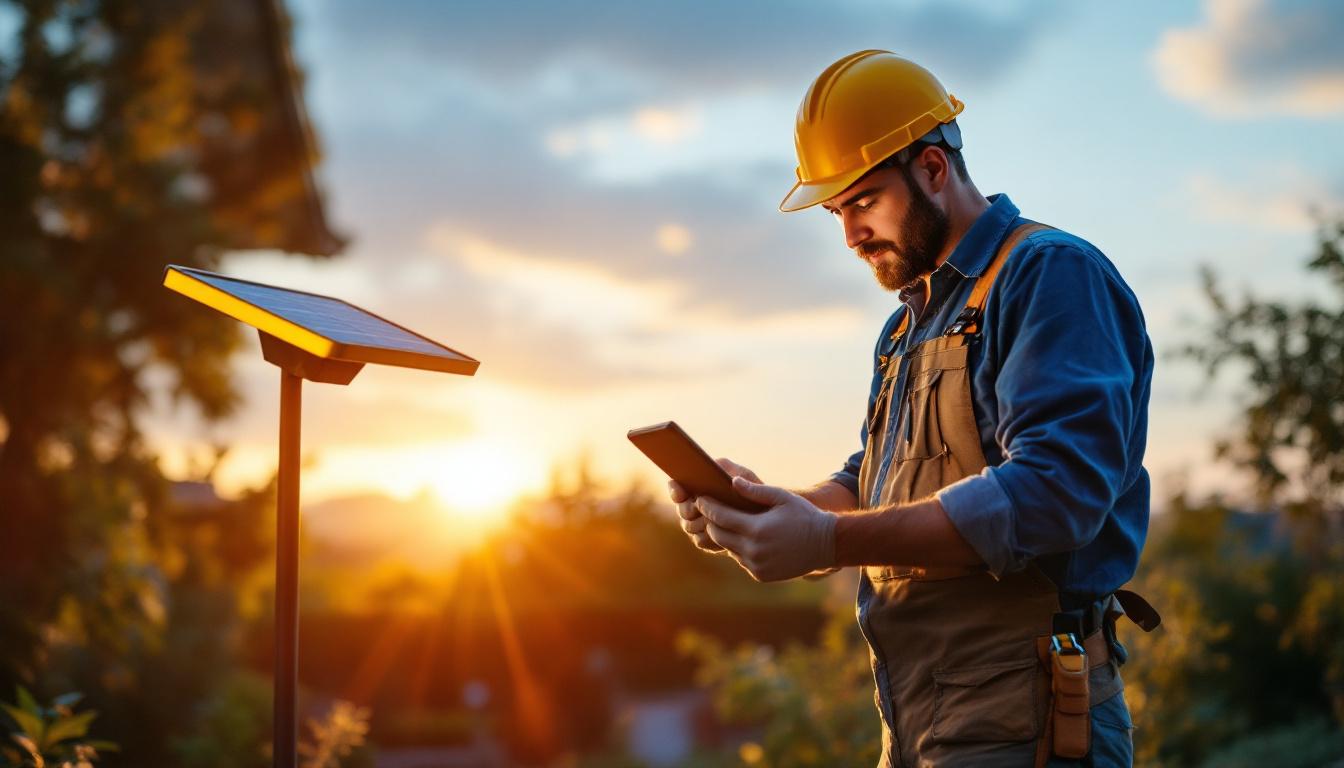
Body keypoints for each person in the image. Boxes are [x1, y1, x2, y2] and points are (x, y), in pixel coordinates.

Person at [667, 50, 1160, 767]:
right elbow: (872, 484)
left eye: (863, 202)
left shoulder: (1050, 275)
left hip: (1030, 719)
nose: (850, 236)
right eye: (837, 212)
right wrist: (765, 510)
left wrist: (829, 544)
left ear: (933, 169)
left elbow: (1057, 495)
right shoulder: (907, 326)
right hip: (918, 721)